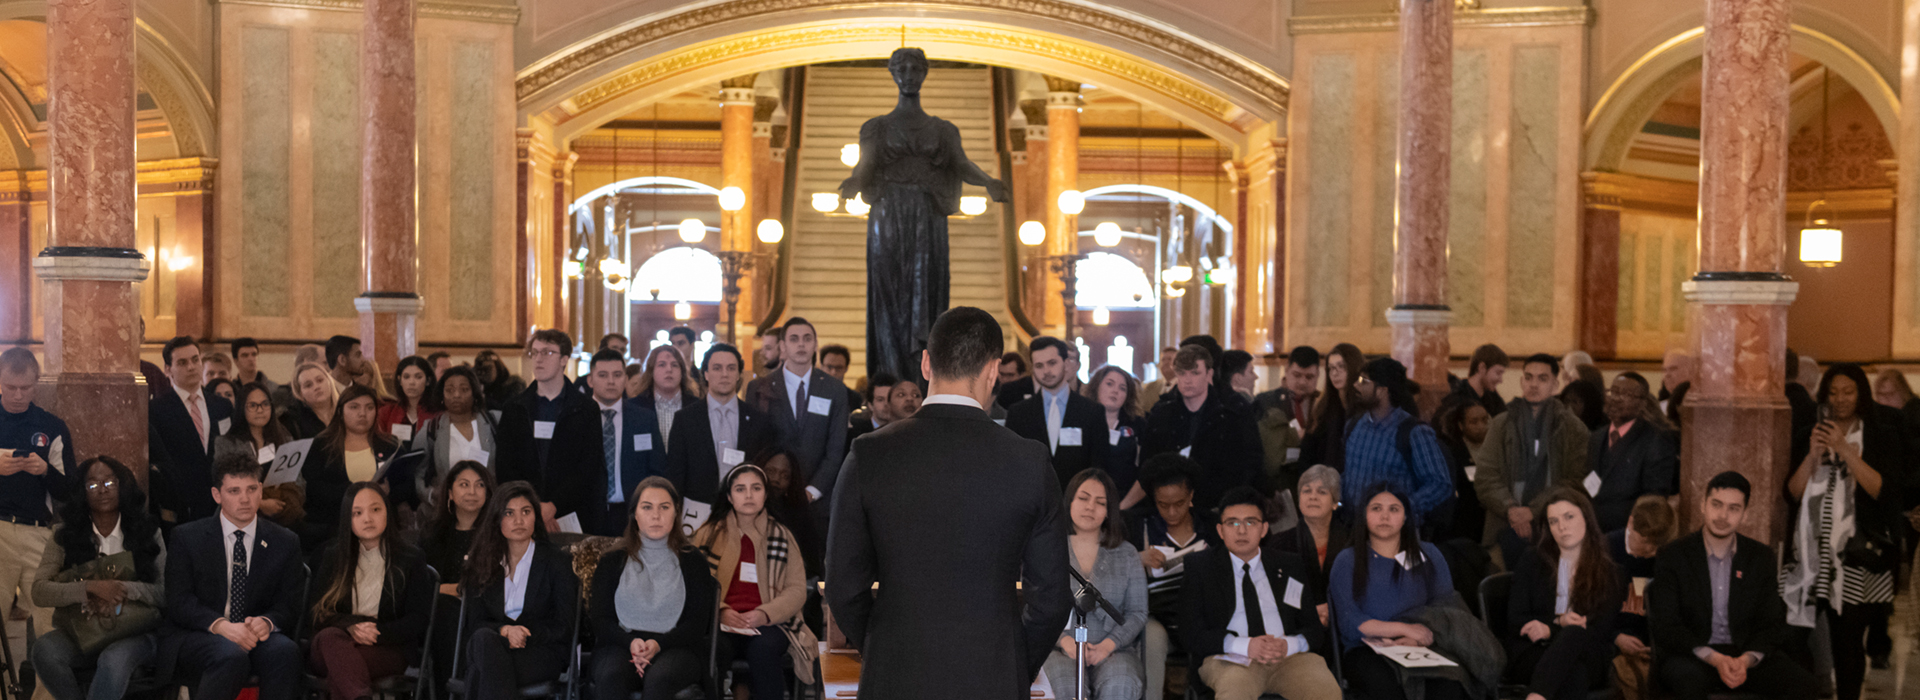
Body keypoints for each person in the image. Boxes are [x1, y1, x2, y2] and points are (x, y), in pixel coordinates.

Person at [825, 306, 1071, 697]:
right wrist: (1013, 665)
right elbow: (1053, 597)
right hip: (993, 674)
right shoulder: (1029, 460)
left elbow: (842, 586)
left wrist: (883, 648)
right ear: (993, 371)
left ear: (926, 364)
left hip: (895, 671)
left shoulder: (870, 454)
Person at [1781, 363, 1898, 700]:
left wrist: (1845, 449)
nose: (1840, 399)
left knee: (1848, 644)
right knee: (1791, 639)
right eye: (1833, 392)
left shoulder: (1879, 433)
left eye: (1848, 392)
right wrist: (1813, 456)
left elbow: (1883, 491)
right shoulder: (1809, 433)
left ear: (1861, 393)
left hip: (1857, 556)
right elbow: (1791, 493)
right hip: (1807, 554)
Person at [1647, 471, 1819, 699]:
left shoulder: (1760, 557)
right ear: (1703, 505)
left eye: (1733, 508)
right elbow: (1667, 626)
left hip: (1744, 655)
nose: (1722, 515)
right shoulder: (1674, 555)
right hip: (1693, 654)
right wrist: (1715, 658)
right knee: (1688, 684)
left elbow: (1771, 622)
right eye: (1716, 505)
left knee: (1804, 685)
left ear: (1745, 515)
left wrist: (1747, 660)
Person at [157, 454, 305, 700]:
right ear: (217, 495)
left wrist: (267, 621)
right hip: (200, 633)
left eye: (251, 489)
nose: (245, 499)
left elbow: (290, 602)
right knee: (230, 653)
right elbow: (179, 601)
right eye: (234, 491)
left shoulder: (285, 541)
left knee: (286, 651)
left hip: (254, 635)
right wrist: (222, 626)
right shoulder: (187, 537)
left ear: (261, 490)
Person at [1180, 486, 1341, 700]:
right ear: (1220, 530)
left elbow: (1313, 628)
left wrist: (1288, 645)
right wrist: (1247, 646)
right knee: (1234, 691)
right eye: (1233, 522)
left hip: (1288, 657)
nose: (1241, 530)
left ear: (1264, 529)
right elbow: (1189, 633)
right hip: (1230, 658)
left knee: (1325, 691)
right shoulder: (1200, 567)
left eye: (1250, 522)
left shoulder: (1289, 564)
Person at [30, 457, 165, 700]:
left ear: (122, 486)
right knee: (44, 650)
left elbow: (166, 593)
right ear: (82, 492)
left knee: (113, 659)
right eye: (92, 485)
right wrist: (90, 588)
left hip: (137, 632)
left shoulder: (148, 530)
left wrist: (122, 588)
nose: (102, 490)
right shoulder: (64, 534)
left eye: (110, 483)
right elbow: (39, 591)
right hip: (83, 630)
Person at [1327, 484, 1466, 700]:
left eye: (1394, 509)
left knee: (1449, 688)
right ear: (1363, 515)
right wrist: (1403, 629)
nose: (1384, 516)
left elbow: (1446, 608)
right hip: (1366, 649)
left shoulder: (1429, 554)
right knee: (1388, 688)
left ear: (1406, 517)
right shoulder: (1347, 560)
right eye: (1376, 509)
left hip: (1425, 643)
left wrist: (1419, 637)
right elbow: (1349, 621)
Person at [692, 466, 818, 700]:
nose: (749, 495)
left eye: (756, 488)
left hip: (770, 623)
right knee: (712, 649)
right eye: (740, 489)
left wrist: (765, 613)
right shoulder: (708, 534)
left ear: (766, 494)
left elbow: (797, 589)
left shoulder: (782, 535)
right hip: (721, 623)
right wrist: (720, 611)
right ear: (729, 497)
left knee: (764, 649)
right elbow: (694, 586)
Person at [306, 483, 435, 700]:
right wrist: (351, 627)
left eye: (376, 510)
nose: (367, 518)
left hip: (386, 646)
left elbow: (418, 618)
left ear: (387, 512)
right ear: (348, 518)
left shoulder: (410, 558)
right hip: (334, 642)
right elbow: (316, 613)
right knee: (330, 639)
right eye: (357, 513)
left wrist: (377, 633)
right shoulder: (333, 555)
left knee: (343, 669)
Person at [588, 477, 711, 700]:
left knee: (660, 679)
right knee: (610, 676)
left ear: (676, 512)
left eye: (664, 507)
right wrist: (631, 643)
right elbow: (600, 620)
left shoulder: (694, 561)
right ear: (635, 514)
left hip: (677, 647)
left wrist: (658, 644)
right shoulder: (612, 561)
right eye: (647, 507)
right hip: (620, 644)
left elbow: (696, 625)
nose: (656, 515)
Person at [460, 481, 578, 700]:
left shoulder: (557, 561)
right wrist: (505, 631)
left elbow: (565, 626)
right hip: (494, 646)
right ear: (497, 519)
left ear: (535, 517)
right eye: (509, 513)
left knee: (479, 670)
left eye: (526, 511)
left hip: (542, 651)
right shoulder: (482, 562)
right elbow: (475, 622)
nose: (519, 521)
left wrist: (524, 634)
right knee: (484, 640)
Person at [1502, 487, 1623, 700]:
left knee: (1575, 634)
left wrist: (1551, 628)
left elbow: (1601, 630)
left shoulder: (1607, 569)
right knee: (1573, 675)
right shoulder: (1532, 560)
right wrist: (1558, 623)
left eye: (1569, 517)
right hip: (1535, 651)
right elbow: (1515, 619)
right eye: (1553, 521)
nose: (1562, 527)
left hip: (1588, 652)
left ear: (1586, 518)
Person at [1473, 353, 1590, 567]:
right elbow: (1486, 476)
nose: (1533, 384)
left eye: (1542, 379)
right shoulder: (1501, 424)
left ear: (1555, 384)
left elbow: (1575, 481)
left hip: (1554, 523)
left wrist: (1532, 511)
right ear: (1521, 381)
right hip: (1504, 520)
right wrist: (1511, 509)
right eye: (1528, 378)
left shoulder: (1572, 428)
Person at [1041, 470, 1148, 700]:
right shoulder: (1048, 549)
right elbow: (1037, 605)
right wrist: (1064, 641)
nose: (1090, 507)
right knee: (1062, 682)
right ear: (1068, 501)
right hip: (1060, 648)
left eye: (1100, 502)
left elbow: (1137, 612)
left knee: (1121, 682)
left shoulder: (1127, 553)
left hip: (1114, 650)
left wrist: (1108, 645)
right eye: (1083, 498)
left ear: (1110, 511)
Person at [1123, 454, 1215, 700]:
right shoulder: (1139, 525)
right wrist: (1137, 558)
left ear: (1191, 496)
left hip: (1202, 616)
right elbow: (1109, 560)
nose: (1172, 511)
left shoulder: (1210, 526)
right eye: (1163, 504)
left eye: (1180, 503)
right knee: (1151, 638)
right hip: (1159, 615)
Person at [0, 348, 74, 644]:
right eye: (10, 388)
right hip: (0, 527)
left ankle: (46, 691)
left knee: (49, 625)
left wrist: (45, 470)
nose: (18, 395)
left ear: (37, 383)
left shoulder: (51, 426)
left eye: (26, 388)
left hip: (37, 532)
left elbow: (69, 490)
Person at [496, 329, 599, 533]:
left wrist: (554, 506)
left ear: (564, 360)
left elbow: (589, 466)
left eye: (547, 352)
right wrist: (534, 507)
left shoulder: (585, 408)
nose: (539, 359)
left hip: (572, 514)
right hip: (523, 513)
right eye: (535, 353)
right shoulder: (515, 408)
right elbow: (506, 465)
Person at [744, 317, 849, 515]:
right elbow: (753, 445)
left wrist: (811, 491)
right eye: (794, 339)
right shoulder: (759, 388)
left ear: (815, 344)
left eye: (807, 338)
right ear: (782, 346)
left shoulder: (834, 390)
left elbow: (835, 449)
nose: (801, 344)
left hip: (818, 502)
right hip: (769, 500)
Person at [1140, 345, 1263, 513]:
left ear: (1209, 374)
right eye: (1182, 373)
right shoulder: (1162, 414)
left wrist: (1230, 503)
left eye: (1195, 373)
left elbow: (1248, 463)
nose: (1188, 380)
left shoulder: (1232, 414)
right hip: (1169, 508)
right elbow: (1148, 463)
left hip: (1217, 506)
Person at [1341, 358, 1452, 525]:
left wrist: (1400, 509)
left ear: (1382, 390)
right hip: (1354, 529)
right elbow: (1350, 474)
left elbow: (1440, 484)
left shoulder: (1413, 432)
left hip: (1395, 533)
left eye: (1363, 381)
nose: (1356, 386)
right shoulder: (1354, 425)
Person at [666, 344, 775, 507]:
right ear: (706, 374)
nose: (725, 374)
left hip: (745, 510)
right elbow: (675, 474)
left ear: (738, 374)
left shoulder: (758, 420)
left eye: (731, 368)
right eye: (717, 368)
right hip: (697, 511)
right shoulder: (685, 419)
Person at [420, 461, 493, 698]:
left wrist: (453, 590)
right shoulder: (433, 534)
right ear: (450, 493)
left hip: (484, 612)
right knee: (444, 610)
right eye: (464, 485)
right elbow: (423, 584)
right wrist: (458, 590)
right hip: (440, 616)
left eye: (479, 485)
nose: (472, 492)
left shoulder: (497, 535)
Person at [302, 384, 402, 552]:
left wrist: (388, 491)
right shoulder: (321, 446)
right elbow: (314, 490)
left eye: (369, 408)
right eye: (354, 407)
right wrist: (356, 493)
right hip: (333, 530)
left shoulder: (391, 446)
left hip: (381, 531)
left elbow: (405, 486)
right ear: (340, 412)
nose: (362, 414)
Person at [150, 336, 235, 525]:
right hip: (181, 507)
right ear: (167, 369)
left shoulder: (222, 407)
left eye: (195, 360)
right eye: (182, 362)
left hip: (221, 504)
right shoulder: (156, 410)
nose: (191, 367)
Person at [1008, 336, 1111, 489]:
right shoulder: (1018, 413)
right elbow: (1012, 466)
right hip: (1032, 504)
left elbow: (1099, 466)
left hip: (1077, 503)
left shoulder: (1092, 412)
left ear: (1066, 363)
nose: (1046, 371)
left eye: (1052, 363)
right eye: (1039, 366)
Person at [585, 349, 665, 536]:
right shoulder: (576, 417)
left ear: (626, 379)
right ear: (590, 380)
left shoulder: (644, 419)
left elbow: (657, 469)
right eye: (603, 375)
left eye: (617, 375)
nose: (611, 381)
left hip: (633, 515)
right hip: (588, 514)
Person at [1587, 375, 1678, 533]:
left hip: (1628, 532)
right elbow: (1588, 483)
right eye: (1613, 392)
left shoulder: (1656, 439)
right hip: (1590, 529)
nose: (1617, 399)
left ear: (1642, 403)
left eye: (1627, 394)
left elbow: (1653, 500)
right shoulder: (1596, 437)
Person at [1608, 495, 1676, 700]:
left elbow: (1666, 611)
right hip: (1609, 641)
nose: (1652, 551)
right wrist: (1616, 638)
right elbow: (1588, 612)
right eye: (1645, 541)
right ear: (1630, 523)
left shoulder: (1664, 557)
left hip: (1647, 646)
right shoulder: (1605, 550)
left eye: (1657, 545)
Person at [214, 383, 304, 529]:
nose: (260, 410)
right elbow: (225, 486)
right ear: (242, 408)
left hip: (284, 515)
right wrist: (261, 504)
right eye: (253, 405)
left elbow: (299, 480)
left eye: (265, 404)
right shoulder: (227, 443)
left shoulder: (284, 437)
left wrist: (286, 501)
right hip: (241, 519)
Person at [410, 366, 500, 501]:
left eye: (464, 389)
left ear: (474, 393)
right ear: (442, 395)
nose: (456, 395)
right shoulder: (431, 429)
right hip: (448, 510)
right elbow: (416, 474)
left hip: (490, 507)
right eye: (449, 390)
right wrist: (430, 495)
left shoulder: (495, 422)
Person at [1272, 465, 1349, 620]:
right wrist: (1311, 612)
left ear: (1335, 503)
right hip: (1297, 622)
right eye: (1306, 491)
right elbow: (1274, 594)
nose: (1313, 496)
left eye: (1322, 492)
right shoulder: (1279, 543)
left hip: (1344, 621)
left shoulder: (1351, 541)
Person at [1087, 365, 1148, 506]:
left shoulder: (1138, 424)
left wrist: (1122, 508)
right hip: (1089, 502)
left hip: (1127, 504)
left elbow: (1146, 470)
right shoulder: (1082, 420)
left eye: (1122, 388)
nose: (1115, 391)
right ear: (1096, 387)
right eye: (1109, 384)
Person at [1299, 343, 1364, 470]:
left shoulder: (1366, 408)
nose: (1335, 373)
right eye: (1331, 368)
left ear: (1354, 367)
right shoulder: (1322, 408)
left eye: (1341, 367)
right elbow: (1307, 453)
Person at [1434, 398, 1490, 543]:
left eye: (1485, 420)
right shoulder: (1454, 455)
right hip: (1465, 526)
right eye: (1474, 421)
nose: (1481, 426)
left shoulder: (1497, 450)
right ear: (1461, 425)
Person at [633, 345, 699, 453]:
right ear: (651, 371)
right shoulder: (636, 407)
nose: (669, 370)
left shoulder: (697, 407)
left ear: (682, 372)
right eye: (661, 365)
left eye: (675, 365)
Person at [1254, 346, 1322, 434]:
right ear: (1287, 371)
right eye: (1297, 375)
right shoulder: (1265, 401)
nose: (1302, 382)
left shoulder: (1326, 403)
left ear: (1317, 375)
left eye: (1309, 377)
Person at [379, 356, 440, 442]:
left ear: (428, 381)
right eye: (406, 377)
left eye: (418, 377)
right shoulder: (386, 413)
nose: (411, 382)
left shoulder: (438, 414)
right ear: (400, 380)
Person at [281, 362, 338, 440]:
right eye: (308, 385)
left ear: (329, 381)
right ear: (300, 394)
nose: (316, 387)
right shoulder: (293, 422)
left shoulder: (347, 411)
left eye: (320, 380)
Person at [1453, 344, 1510, 418]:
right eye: (1498, 373)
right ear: (1482, 368)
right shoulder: (1458, 395)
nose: (1501, 380)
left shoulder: (1492, 397)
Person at [845, 372, 897, 448]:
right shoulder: (855, 434)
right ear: (870, 405)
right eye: (880, 400)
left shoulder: (902, 430)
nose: (886, 404)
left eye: (890, 399)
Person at [1135, 347, 1179, 415]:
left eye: (1170, 359)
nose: (1166, 363)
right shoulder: (1150, 387)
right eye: (1163, 360)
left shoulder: (1183, 387)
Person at [819, 344, 858, 410]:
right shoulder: (810, 394)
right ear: (821, 367)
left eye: (839, 368)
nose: (833, 372)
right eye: (829, 367)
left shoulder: (854, 398)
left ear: (846, 369)